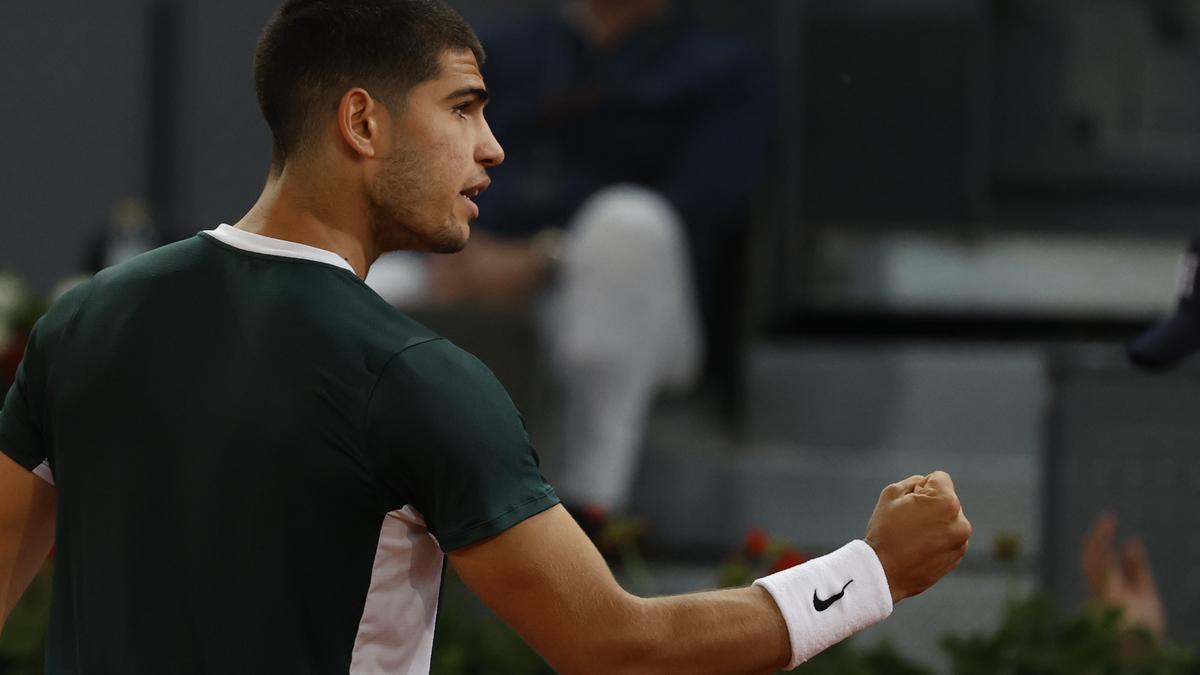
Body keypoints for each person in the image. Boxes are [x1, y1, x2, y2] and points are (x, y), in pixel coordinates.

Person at [0, 1, 971, 672]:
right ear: (362, 123)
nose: (492, 146)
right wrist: (871, 573)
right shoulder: (413, 378)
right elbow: (617, 648)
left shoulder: (81, 323)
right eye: (463, 108)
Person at [367, 0, 775, 523]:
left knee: (629, 224)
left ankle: (587, 513)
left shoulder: (723, 69)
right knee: (364, 286)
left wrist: (542, 258)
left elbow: (707, 203)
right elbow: (425, 159)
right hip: (472, 264)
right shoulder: (495, 56)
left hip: (637, 305)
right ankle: (349, 513)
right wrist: (455, 242)